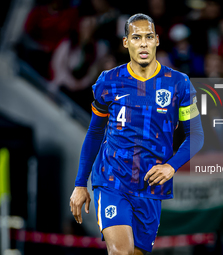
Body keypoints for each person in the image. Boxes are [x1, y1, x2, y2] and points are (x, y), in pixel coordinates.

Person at [69, 14, 204, 255]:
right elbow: (94, 133)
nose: (143, 43)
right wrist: (81, 183)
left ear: (157, 41)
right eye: (136, 37)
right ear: (126, 42)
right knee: (121, 252)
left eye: (148, 37)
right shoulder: (108, 82)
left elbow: (196, 135)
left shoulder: (179, 84)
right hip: (112, 180)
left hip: (150, 188)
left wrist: (171, 166)